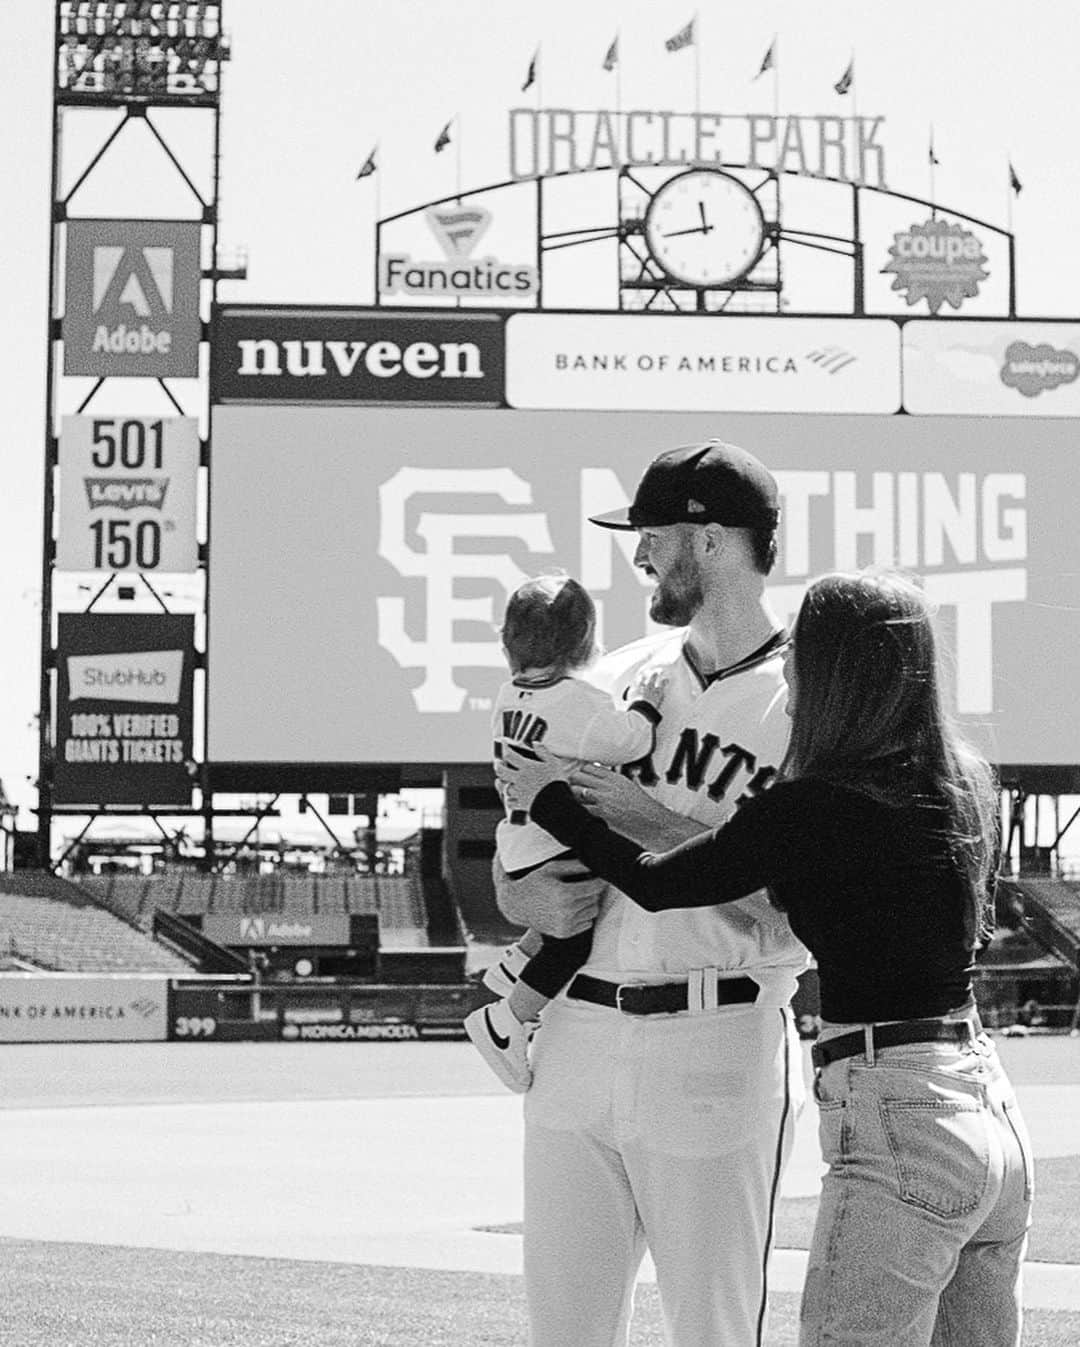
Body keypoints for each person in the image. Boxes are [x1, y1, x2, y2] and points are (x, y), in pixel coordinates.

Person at [501, 569, 1035, 1347]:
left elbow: (661, 883)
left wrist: (554, 801)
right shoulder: (966, 780)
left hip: (893, 1108)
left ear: (836, 674)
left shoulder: (816, 803)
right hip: (987, 1101)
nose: (788, 671)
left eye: (803, 658)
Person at [493, 440, 810, 1347]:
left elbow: (806, 906)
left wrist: (652, 825)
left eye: (653, 534)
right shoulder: (619, 672)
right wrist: (521, 900)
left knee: (711, 1331)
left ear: (711, 542)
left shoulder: (807, 703)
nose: (637, 555)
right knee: (564, 1332)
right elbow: (522, 809)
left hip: (717, 1033)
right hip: (577, 1037)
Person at [463, 572, 664, 1092]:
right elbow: (632, 741)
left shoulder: (509, 693)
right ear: (584, 639)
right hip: (555, 839)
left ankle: (516, 963)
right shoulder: (575, 700)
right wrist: (647, 701)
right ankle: (506, 1022)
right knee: (572, 942)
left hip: (519, 841)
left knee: (576, 913)